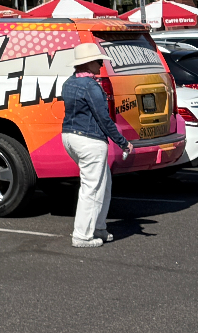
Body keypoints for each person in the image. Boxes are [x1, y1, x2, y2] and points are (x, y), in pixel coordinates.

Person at [61, 41, 133, 248]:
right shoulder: (91, 86)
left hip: (70, 137)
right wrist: (123, 142)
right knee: (92, 188)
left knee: (102, 184)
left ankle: (98, 227)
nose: (101, 64)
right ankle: (82, 236)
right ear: (88, 63)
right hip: (90, 140)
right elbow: (103, 119)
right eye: (98, 61)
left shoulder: (69, 82)